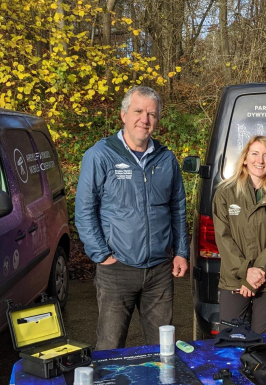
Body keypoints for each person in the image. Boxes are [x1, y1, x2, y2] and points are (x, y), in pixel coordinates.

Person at [75, 86, 189, 349]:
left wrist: (181, 251)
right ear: (123, 114)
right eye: (138, 111)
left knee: (163, 347)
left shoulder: (166, 159)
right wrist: (101, 254)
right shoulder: (101, 155)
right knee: (111, 346)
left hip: (159, 270)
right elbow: (84, 210)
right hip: (117, 269)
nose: (145, 119)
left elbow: (177, 208)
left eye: (152, 114)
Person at [212, 135, 266, 334]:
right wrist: (245, 272)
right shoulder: (225, 192)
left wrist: (256, 275)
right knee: (229, 340)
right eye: (255, 154)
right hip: (234, 277)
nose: (260, 160)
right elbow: (223, 237)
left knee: (260, 342)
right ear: (245, 158)